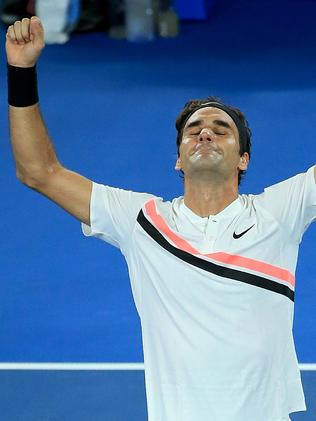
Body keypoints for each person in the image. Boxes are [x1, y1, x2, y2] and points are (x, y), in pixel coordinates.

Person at [6, 17, 315, 421]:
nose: (205, 134)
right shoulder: (143, 221)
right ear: (179, 159)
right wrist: (21, 71)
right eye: (194, 130)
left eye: (221, 130)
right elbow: (38, 171)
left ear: (244, 159)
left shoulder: (278, 213)